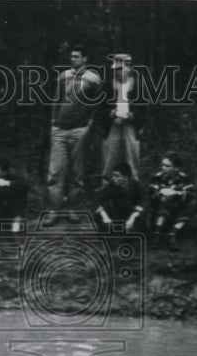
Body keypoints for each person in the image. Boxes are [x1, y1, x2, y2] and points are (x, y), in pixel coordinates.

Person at [47, 43, 102, 209]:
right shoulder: (63, 76)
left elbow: (96, 104)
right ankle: (54, 210)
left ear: (85, 58)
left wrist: (88, 126)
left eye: (77, 56)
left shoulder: (93, 78)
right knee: (55, 173)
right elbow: (56, 100)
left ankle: (73, 209)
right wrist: (53, 123)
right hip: (60, 130)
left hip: (79, 130)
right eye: (71, 56)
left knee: (77, 174)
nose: (73, 59)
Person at [98, 53, 141, 182]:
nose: (117, 72)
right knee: (109, 161)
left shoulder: (138, 86)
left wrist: (132, 116)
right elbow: (100, 108)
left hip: (130, 127)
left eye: (120, 69)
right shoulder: (108, 86)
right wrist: (111, 114)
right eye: (115, 69)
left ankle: (134, 193)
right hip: (113, 127)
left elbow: (144, 109)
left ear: (128, 68)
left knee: (132, 161)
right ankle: (106, 193)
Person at [147, 152, 194, 247]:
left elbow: (191, 193)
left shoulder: (184, 178)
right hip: (159, 212)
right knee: (164, 198)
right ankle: (157, 234)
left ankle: (172, 234)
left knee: (192, 203)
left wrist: (177, 193)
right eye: (163, 165)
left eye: (167, 166)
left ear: (176, 168)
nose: (163, 168)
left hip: (177, 212)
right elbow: (151, 193)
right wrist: (162, 193)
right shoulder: (157, 177)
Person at [0, 156, 29, 236]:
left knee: (20, 194)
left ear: (4, 172)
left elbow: (26, 185)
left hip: (11, 210)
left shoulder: (12, 175)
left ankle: (15, 229)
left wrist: (7, 183)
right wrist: (9, 189)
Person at [95, 165, 145, 233]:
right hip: (117, 216)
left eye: (117, 176)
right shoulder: (111, 185)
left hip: (132, 215)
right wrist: (105, 217)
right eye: (113, 175)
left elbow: (144, 202)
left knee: (139, 225)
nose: (113, 178)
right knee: (99, 217)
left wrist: (132, 218)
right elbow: (100, 200)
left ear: (126, 177)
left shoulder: (137, 186)